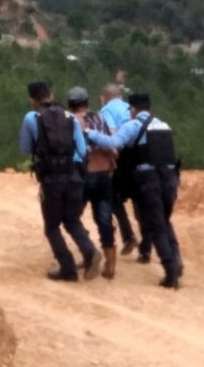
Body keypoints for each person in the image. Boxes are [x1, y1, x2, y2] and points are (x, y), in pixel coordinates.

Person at [86, 93, 183, 289]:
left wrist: (91, 134)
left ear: (133, 109)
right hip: (170, 179)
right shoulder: (163, 125)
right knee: (165, 220)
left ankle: (170, 271)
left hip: (150, 181)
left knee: (157, 226)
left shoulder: (132, 126)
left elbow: (114, 143)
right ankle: (177, 258)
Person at [19, 80, 101, 282]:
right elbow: (82, 150)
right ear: (51, 95)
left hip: (52, 179)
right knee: (72, 220)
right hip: (74, 177)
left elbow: (26, 148)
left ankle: (68, 268)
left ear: (32, 100)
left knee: (52, 226)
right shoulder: (70, 116)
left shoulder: (32, 117)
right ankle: (90, 252)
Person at [67, 87, 118, 279]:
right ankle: (110, 264)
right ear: (87, 102)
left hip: (82, 174)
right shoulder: (100, 118)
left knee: (72, 216)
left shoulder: (71, 121)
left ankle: (89, 253)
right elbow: (110, 144)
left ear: (70, 104)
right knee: (104, 218)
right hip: (104, 173)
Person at [99, 83, 142, 259]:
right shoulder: (132, 108)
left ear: (103, 98)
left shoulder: (106, 110)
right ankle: (147, 243)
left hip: (122, 158)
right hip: (139, 157)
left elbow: (112, 133)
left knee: (114, 198)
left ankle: (128, 236)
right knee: (139, 199)